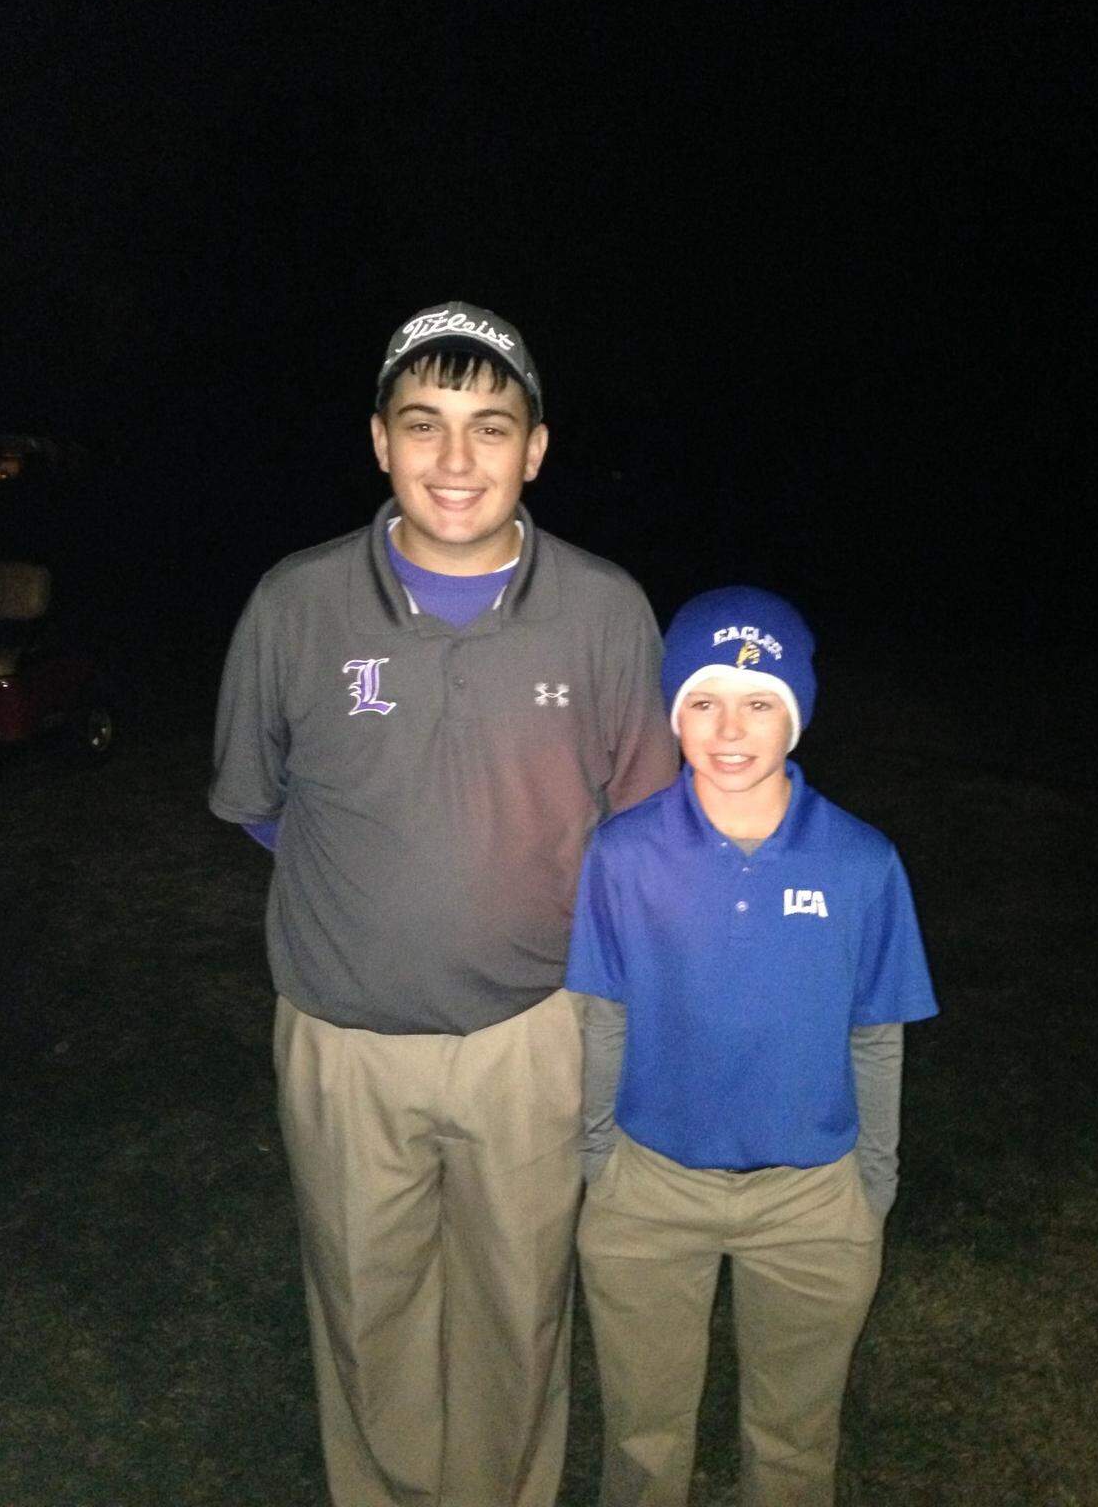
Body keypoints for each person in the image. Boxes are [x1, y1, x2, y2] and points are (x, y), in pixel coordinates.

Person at [209, 301, 677, 1507]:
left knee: (521, 1311)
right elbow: (263, 803)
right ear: (378, 441)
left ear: (536, 447)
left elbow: (638, 828)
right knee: (369, 1314)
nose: (455, 460)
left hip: (535, 1036)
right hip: (343, 1039)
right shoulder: (295, 605)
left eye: (489, 426)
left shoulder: (608, 609)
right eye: (424, 424)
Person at [566, 585, 938, 1507]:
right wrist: (603, 1161)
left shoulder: (860, 861)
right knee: (644, 1443)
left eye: (760, 700)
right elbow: (603, 1014)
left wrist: (871, 1185)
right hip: (651, 1192)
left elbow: (875, 1035)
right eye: (703, 700)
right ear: (673, 715)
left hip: (812, 1201)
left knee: (795, 1443)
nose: (730, 729)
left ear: (797, 717)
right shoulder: (623, 853)